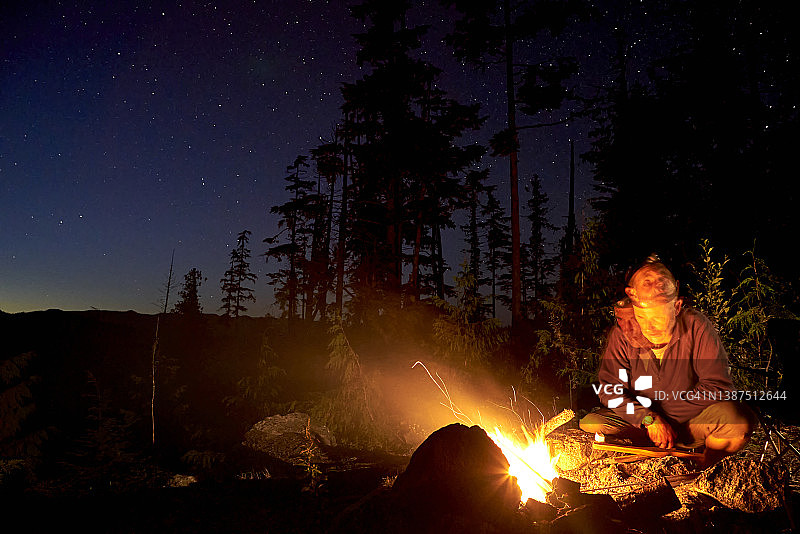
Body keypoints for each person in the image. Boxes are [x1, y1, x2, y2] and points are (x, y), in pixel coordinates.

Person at [579, 255, 757, 466]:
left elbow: (717, 386)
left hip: (691, 423)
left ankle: (704, 467)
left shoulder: (696, 326)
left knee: (738, 421)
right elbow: (610, 390)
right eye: (642, 317)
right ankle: (644, 454)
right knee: (592, 423)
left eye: (658, 317)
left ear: (677, 306)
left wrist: (668, 417)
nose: (649, 326)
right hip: (642, 423)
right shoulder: (623, 334)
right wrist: (648, 419)